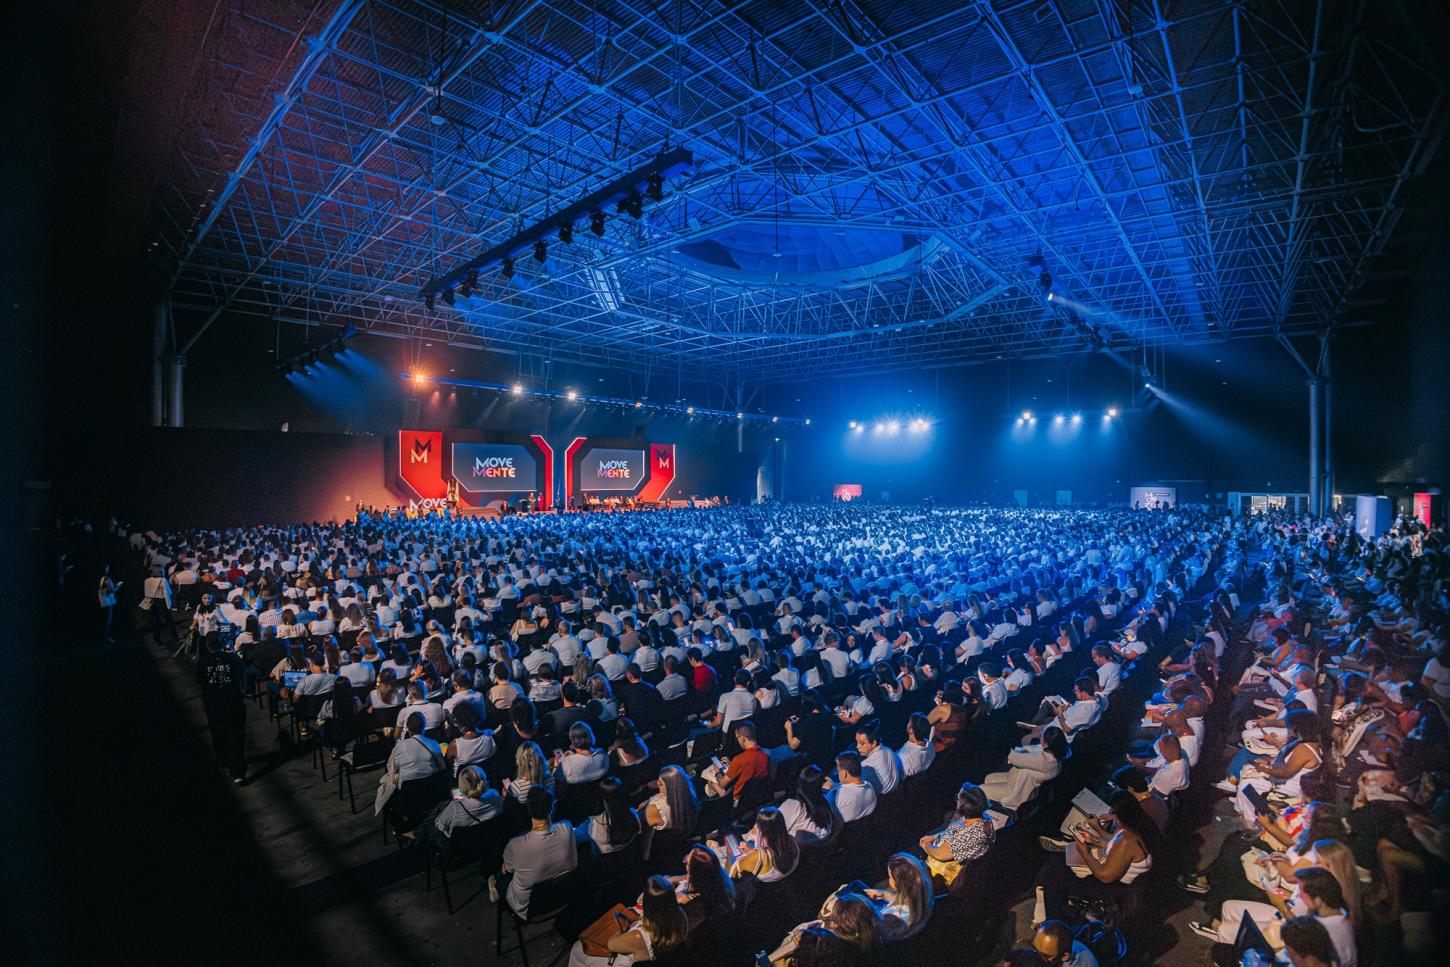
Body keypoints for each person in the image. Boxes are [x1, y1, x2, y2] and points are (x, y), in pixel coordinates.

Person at [1034, 789, 1158, 924]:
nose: (1111, 816)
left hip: (1113, 891)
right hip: (1119, 882)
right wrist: (1094, 839)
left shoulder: (1127, 840)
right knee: (1057, 863)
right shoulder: (1135, 827)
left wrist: (1084, 852)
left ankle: (1055, 923)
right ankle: (1049, 914)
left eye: (1113, 813)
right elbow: (1113, 843)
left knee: (1054, 874)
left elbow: (1104, 876)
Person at [568, 874, 687, 967]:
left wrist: (623, 929)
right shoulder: (681, 915)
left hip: (622, 961)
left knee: (578, 948)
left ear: (648, 905)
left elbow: (611, 945)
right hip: (654, 958)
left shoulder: (638, 936)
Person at [497, 788, 577, 915]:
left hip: (530, 908)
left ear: (528, 810)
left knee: (501, 873)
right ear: (552, 808)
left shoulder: (515, 844)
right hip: (563, 897)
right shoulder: (566, 827)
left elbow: (509, 868)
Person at [406, 765, 502, 851]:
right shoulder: (495, 794)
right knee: (443, 805)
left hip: (456, 846)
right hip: (486, 838)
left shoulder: (455, 808)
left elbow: (439, 827)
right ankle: (417, 833)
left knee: (437, 816)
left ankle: (417, 835)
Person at [920, 782, 995, 887]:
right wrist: (933, 837)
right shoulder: (975, 817)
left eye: (958, 799)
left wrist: (926, 846)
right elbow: (952, 829)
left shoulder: (973, 833)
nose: (956, 801)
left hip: (950, 874)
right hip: (944, 851)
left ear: (965, 805)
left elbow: (940, 854)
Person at [981, 726, 1068, 813]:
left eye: (1042, 736)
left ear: (1046, 744)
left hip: (1015, 789)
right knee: (989, 778)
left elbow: (1014, 758)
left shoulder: (1044, 760)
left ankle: (984, 811)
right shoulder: (1057, 753)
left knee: (980, 789)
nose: (1039, 736)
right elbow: (1031, 749)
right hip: (1014, 778)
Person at [197, 635, 248, 783]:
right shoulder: (231, 658)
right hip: (232, 701)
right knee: (236, 735)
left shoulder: (203, 662)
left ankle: (223, 762)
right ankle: (237, 771)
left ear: (207, 645)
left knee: (217, 733)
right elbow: (241, 672)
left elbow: (200, 680)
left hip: (213, 703)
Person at [865, 852, 933, 941]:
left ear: (900, 883)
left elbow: (870, 934)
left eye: (890, 877)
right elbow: (908, 899)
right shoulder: (924, 896)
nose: (889, 880)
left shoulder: (897, 917)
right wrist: (884, 895)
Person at [576, 775, 641, 856]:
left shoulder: (597, 822)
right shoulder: (633, 813)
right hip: (620, 853)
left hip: (601, 855)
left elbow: (575, 837)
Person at [707, 721, 769, 801]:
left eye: (737, 738)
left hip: (737, 801)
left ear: (743, 738)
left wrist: (717, 771)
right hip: (757, 796)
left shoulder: (739, 759)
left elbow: (722, 784)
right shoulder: (767, 754)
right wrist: (732, 765)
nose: (738, 741)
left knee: (710, 783)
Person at [778, 764, 836, 845]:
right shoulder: (826, 804)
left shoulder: (793, 806)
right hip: (816, 852)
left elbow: (774, 831)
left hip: (794, 853)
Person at [825, 751, 877, 824]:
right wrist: (835, 785)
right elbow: (852, 789)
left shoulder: (835, 794)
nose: (837, 773)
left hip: (838, 831)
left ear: (844, 773)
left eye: (838, 770)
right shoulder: (869, 786)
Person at [855, 721, 903, 796]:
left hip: (883, 798)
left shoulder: (865, 765)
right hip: (895, 791)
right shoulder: (888, 749)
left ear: (874, 743)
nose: (857, 746)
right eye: (857, 742)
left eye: (862, 743)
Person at [1027, 919, 1098, 967]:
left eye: (1045, 956)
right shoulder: (1063, 945)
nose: (1036, 956)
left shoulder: (1080, 962)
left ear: (1065, 956)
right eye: (1034, 948)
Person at [142, 564, 174, 645]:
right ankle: (173, 637)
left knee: (155, 622)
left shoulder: (147, 580)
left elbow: (146, 593)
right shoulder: (163, 580)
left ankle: (157, 640)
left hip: (152, 602)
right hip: (161, 601)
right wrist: (169, 604)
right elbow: (168, 592)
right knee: (168, 619)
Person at [897, 712, 936, 777]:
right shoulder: (931, 746)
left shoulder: (904, 757)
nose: (907, 724)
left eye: (909, 722)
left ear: (910, 730)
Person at [97, 564, 119, 643]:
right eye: (106, 567)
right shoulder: (105, 578)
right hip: (108, 602)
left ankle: (107, 637)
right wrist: (116, 587)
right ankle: (107, 638)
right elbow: (109, 590)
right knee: (108, 620)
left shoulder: (101, 578)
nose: (108, 569)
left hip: (105, 602)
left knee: (107, 620)